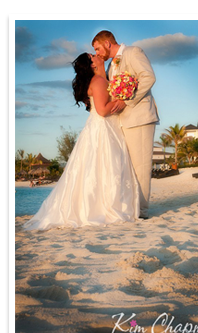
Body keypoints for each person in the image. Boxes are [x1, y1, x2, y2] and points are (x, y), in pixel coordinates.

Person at [23, 53, 139, 231]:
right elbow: (102, 110)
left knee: (98, 169)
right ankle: (103, 208)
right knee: (105, 167)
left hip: (102, 128)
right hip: (103, 129)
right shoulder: (99, 81)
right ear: (92, 65)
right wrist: (121, 100)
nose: (97, 54)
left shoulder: (101, 79)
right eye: (93, 55)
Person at [92, 30, 159, 219]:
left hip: (139, 118)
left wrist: (127, 100)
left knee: (141, 167)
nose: (97, 53)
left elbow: (148, 77)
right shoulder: (110, 66)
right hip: (122, 122)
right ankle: (132, 207)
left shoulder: (132, 52)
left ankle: (142, 211)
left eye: (97, 48)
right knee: (128, 167)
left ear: (107, 43)